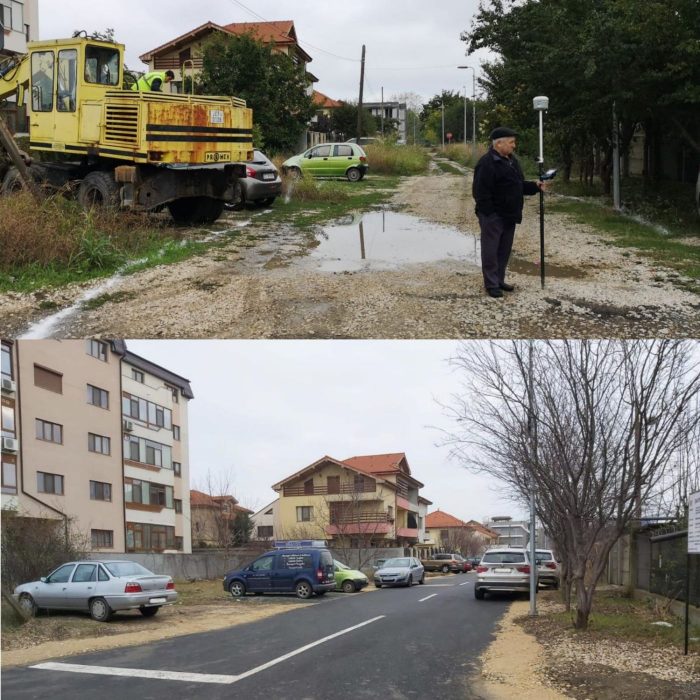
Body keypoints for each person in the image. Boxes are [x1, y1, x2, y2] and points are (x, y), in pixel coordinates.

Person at [472, 127, 547, 298]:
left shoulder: (512, 161)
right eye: (511, 142)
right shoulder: (487, 163)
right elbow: (480, 193)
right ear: (499, 143)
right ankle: (491, 284)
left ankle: (499, 279)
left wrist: (535, 186)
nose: (514, 146)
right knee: (490, 250)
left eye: (514, 142)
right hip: (493, 215)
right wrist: (489, 214)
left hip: (510, 214)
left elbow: (518, 186)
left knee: (504, 250)